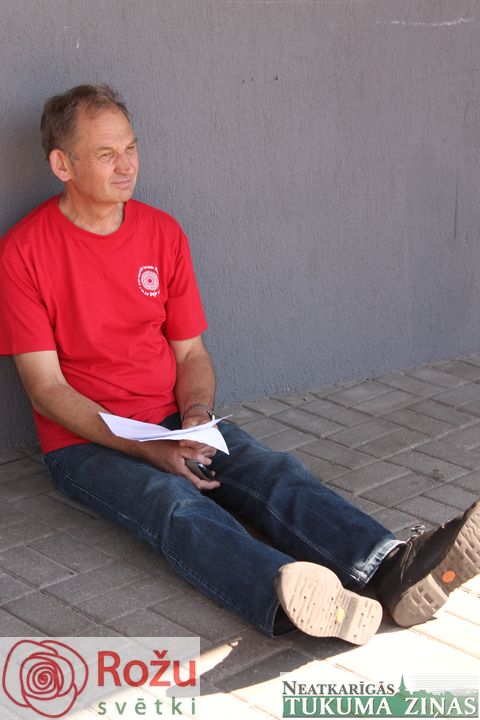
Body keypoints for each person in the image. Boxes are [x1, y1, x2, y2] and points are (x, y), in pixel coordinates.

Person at [0, 84, 478, 644]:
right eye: (106, 154)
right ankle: (290, 596)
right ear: (63, 165)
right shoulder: (24, 251)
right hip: (84, 442)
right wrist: (148, 449)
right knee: (170, 503)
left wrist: (196, 416)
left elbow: (191, 353)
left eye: (131, 148)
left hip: (173, 418)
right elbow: (46, 389)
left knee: (273, 472)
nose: (126, 166)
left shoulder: (162, 232)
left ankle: (392, 569)